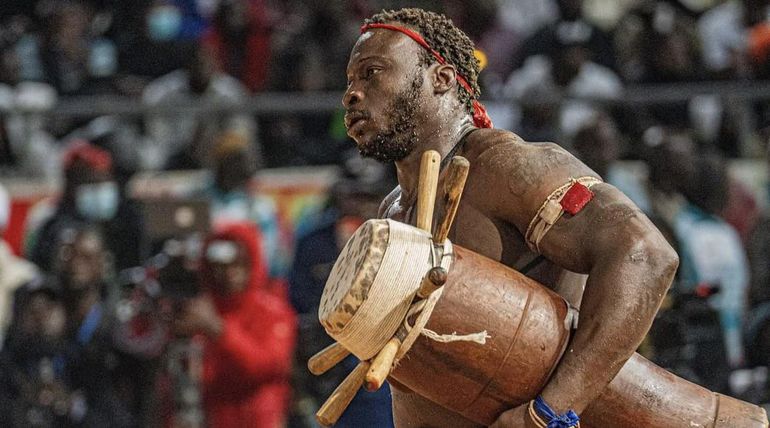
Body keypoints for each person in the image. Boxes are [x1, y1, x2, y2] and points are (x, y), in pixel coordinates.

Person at [342, 8, 678, 427]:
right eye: (350, 81)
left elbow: (645, 253)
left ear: (441, 79)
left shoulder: (503, 167)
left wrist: (550, 412)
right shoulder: (393, 209)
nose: (351, 94)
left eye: (371, 73)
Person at [173, 222, 296, 428]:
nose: (230, 273)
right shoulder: (199, 307)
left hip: (257, 420)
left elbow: (268, 366)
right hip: (210, 418)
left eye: (238, 264)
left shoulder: (273, 311)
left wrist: (218, 330)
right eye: (220, 266)